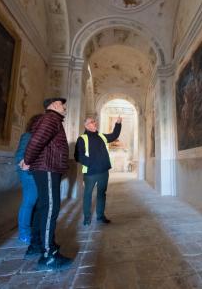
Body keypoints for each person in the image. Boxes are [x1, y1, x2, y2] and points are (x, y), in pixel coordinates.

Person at [22, 97, 71, 271]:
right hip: (48, 167)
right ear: (54, 105)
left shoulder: (52, 119)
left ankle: (37, 245)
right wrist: (27, 160)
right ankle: (48, 256)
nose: (65, 107)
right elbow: (37, 141)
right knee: (51, 208)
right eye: (62, 104)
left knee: (44, 207)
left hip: (46, 167)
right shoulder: (51, 118)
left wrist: (29, 160)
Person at [74, 116, 122, 226]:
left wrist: (118, 124)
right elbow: (78, 156)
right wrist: (91, 163)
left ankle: (100, 216)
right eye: (91, 122)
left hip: (103, 171)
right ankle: (87, 218)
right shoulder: (82, 138)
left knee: (102, 194)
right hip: (90, 173)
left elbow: (114, 135)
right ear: (86, 125)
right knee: (88, 195)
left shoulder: (101, 136)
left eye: (94, 121)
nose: (95, 123)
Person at [14, 114, 43, 244]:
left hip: (37, 173)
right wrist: (25, 165)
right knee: (28, 202)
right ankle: (24, 233)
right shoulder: (27, 136)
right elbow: (20, 155)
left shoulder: (40, 137)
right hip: (28, 174)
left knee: (35, 203)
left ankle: (31, 228)